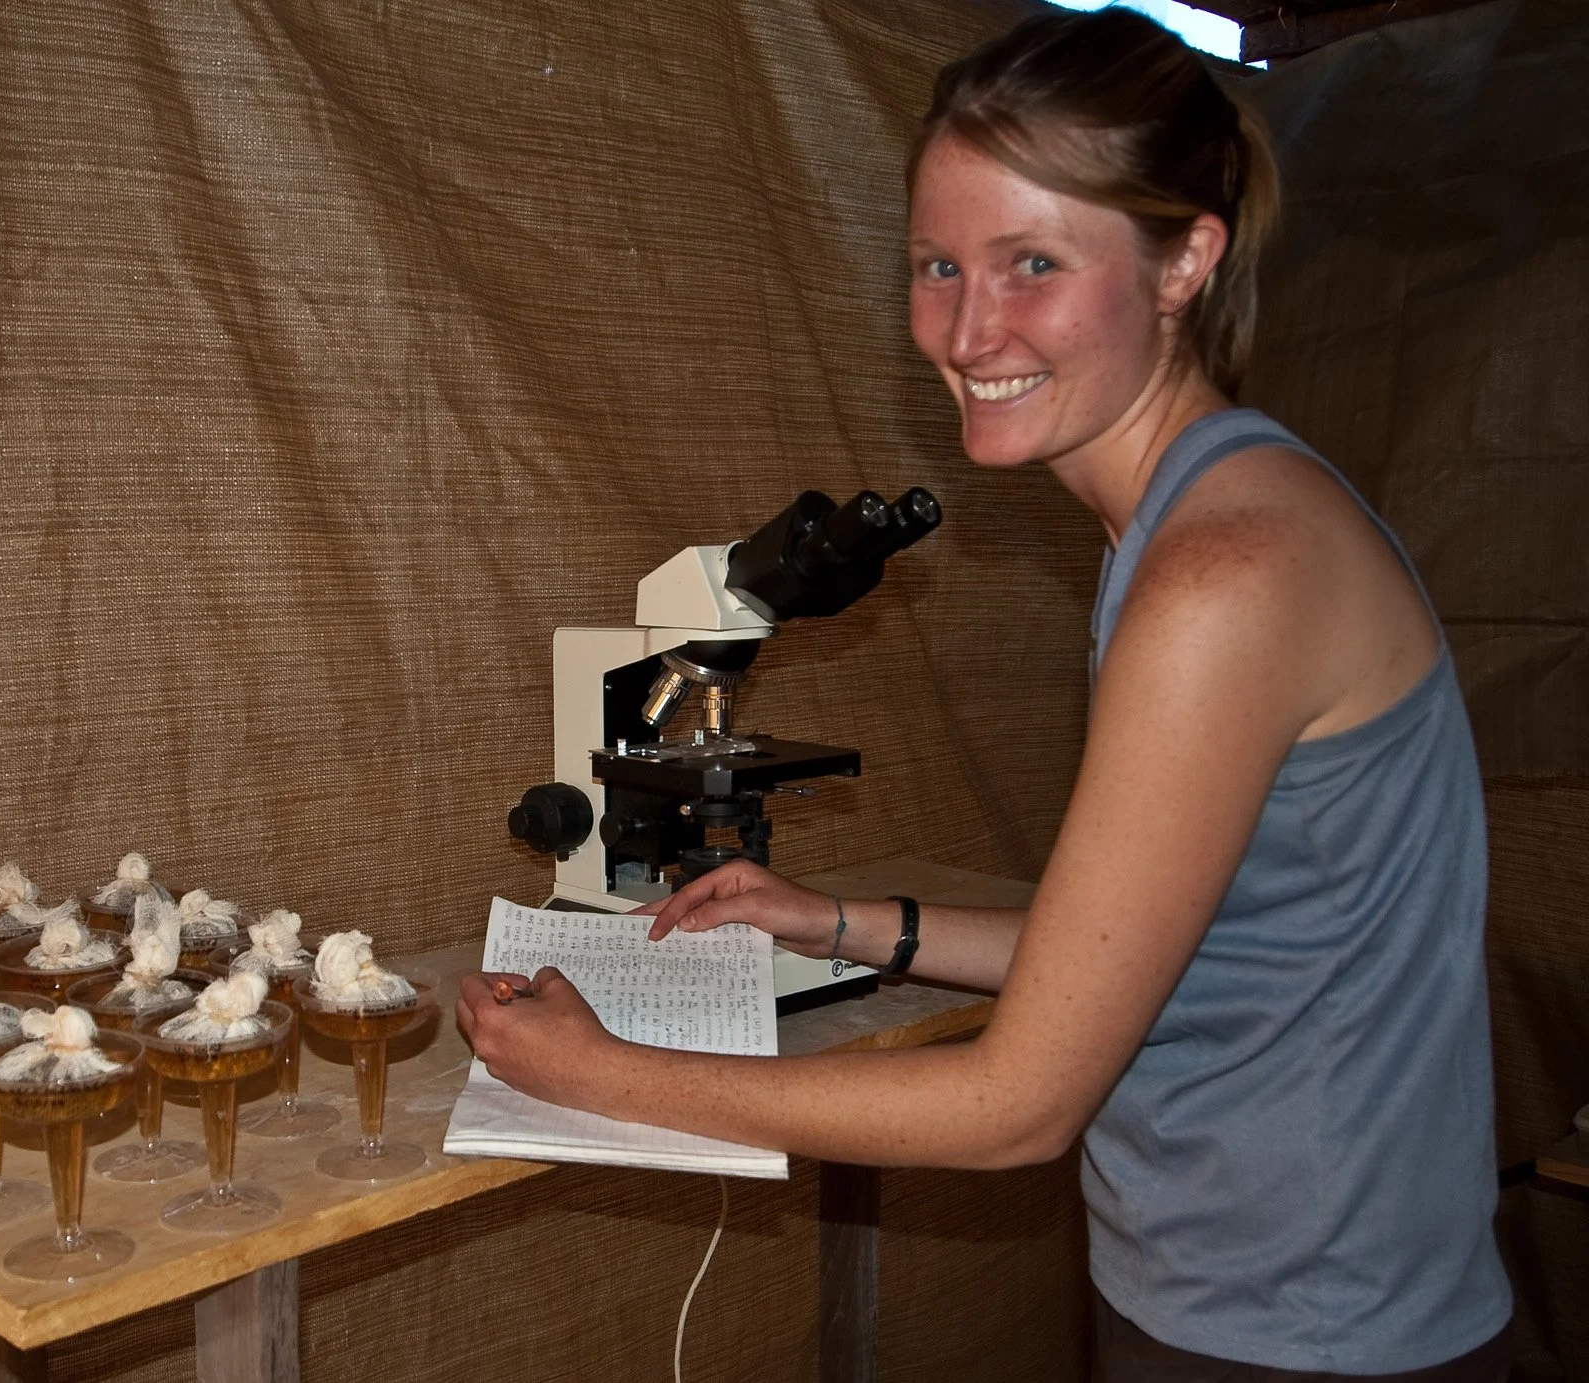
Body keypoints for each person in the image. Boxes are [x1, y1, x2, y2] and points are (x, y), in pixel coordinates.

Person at [456, 10, 1513, 1380]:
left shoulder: (1221, 578)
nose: (967, 327)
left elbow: (1021, 1104)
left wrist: (603, 1078)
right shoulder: (1214, 513)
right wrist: (832, 920)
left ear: (1186, 257)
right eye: (937, 265)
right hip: (1264, 1282)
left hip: (1303, 1327)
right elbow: (1160, 956)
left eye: (1032, 263)